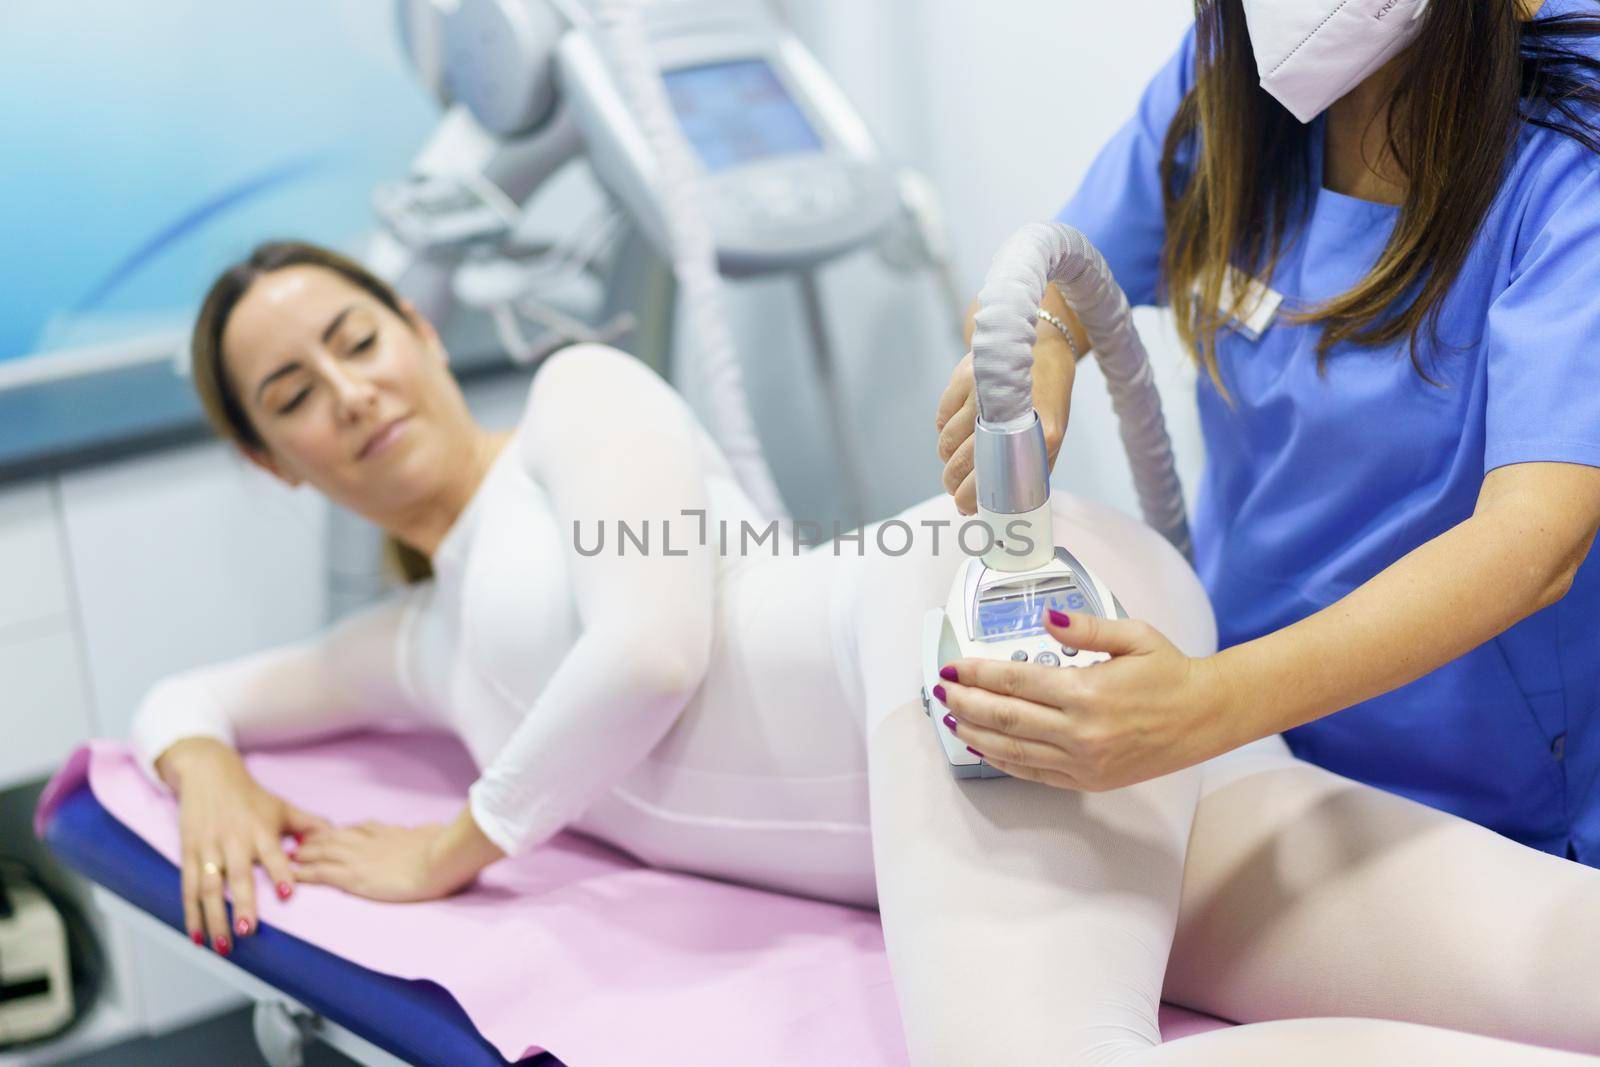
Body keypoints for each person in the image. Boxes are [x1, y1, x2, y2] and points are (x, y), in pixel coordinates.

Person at [132, 239, 1600, 1063]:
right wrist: (203, 771)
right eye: (293, 390)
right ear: (275, 462)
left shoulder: (579, 401)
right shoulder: (408, 642)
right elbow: (187, 694)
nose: (348, 387)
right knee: (1558, 966)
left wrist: (458, 841)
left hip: (964, 631)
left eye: (355, 337)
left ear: (421, 331)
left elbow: (649, 646)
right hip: (1070, 780)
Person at [935, 0, 1600, 857]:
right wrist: (1043, 348)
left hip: (1473, 801)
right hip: (1237, 752)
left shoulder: (1568, 156)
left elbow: (1535, 542)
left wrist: (1205, 704)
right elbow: (1052, 281)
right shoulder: (1242, 69)